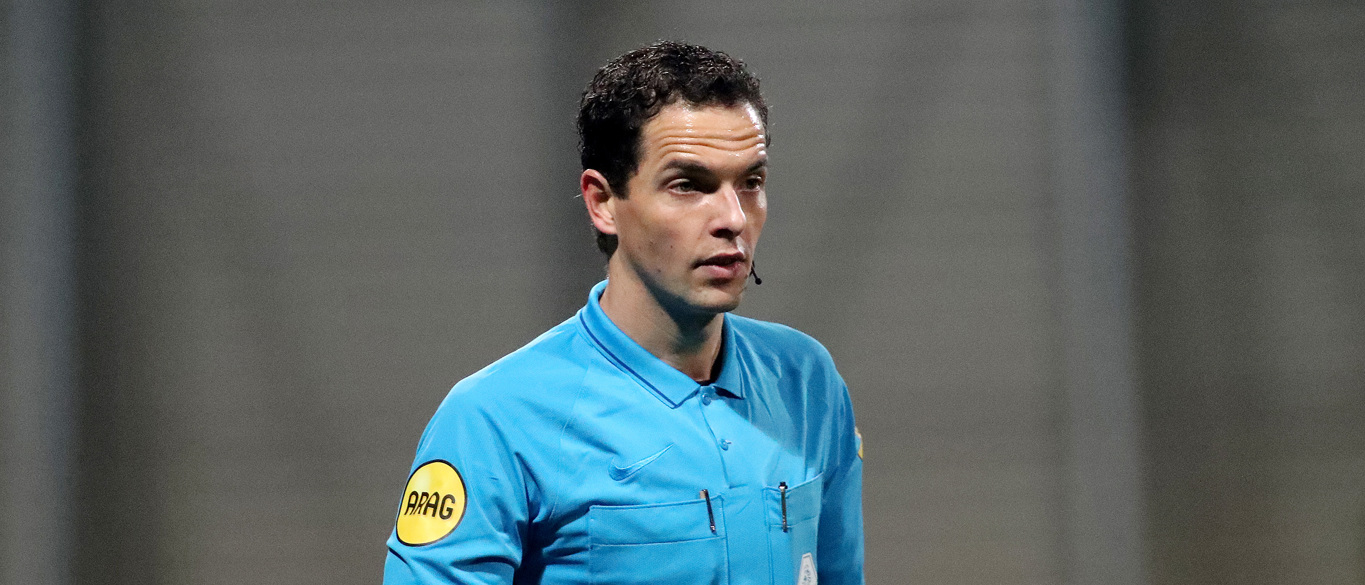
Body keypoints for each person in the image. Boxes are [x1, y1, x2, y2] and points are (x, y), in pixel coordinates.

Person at [383, 41, 864, 585]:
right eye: (688, 185)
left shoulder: (807, 382)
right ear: (603, 202)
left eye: (751, 182)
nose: (733, 218)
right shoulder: (493, 420)